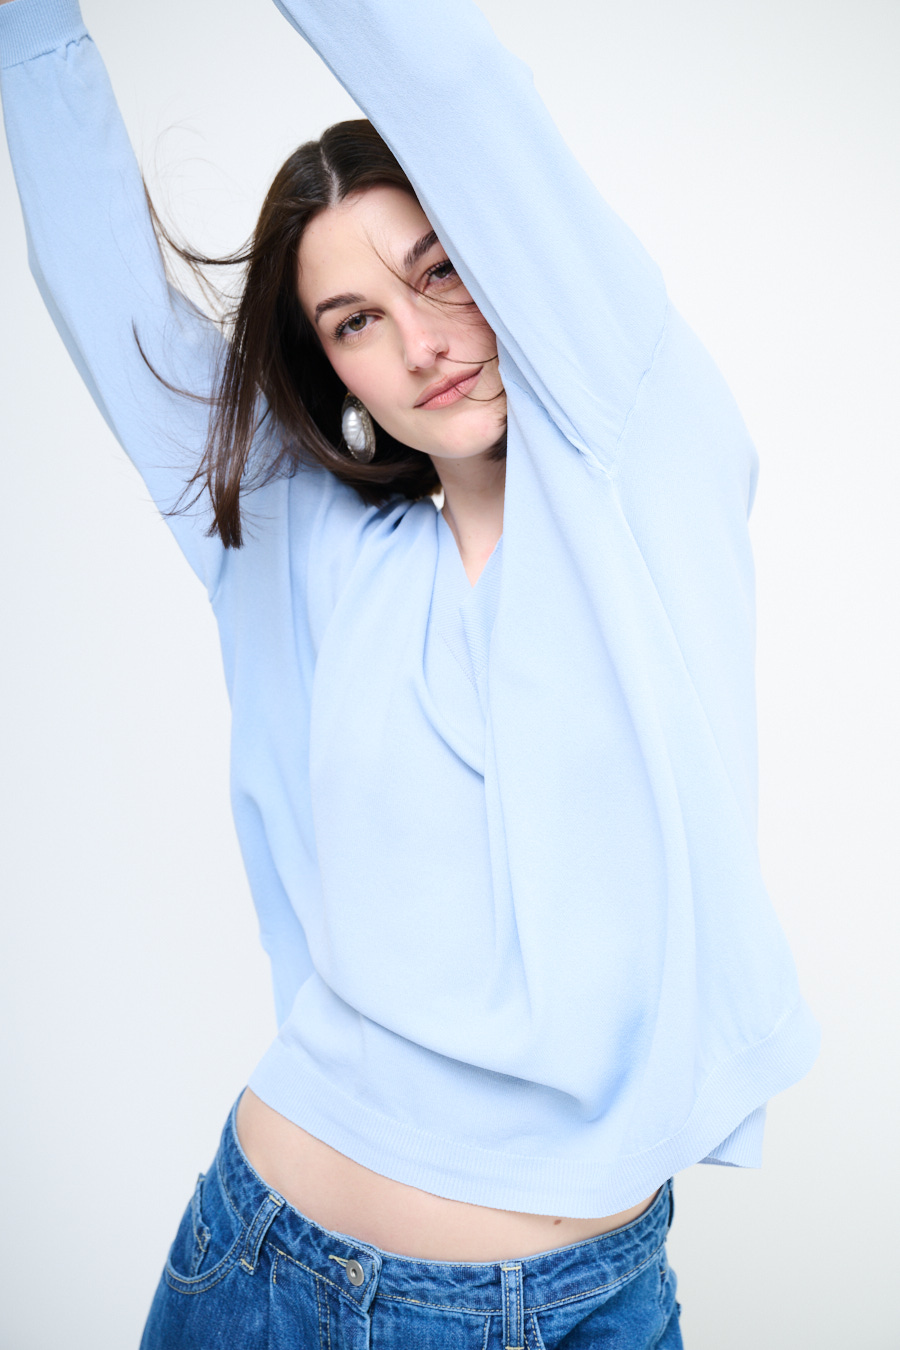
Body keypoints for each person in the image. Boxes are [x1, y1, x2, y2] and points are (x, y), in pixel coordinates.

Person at [0, 0, 821, 1345]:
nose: (422, 342)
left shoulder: (642, 449)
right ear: (330, 367)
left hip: (608, 1295)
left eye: (440, 270)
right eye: (355, 321)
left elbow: (456, 86)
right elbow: (114, 304)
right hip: (287, 1279)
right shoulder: (308, 551)